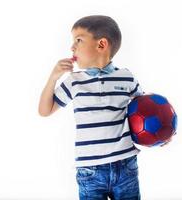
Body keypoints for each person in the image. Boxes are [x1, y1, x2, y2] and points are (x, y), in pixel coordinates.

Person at [38, 15, 144, 200]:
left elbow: (147, 110)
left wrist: (161, 136)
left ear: (101, 45)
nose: (72, 47)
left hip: (125, 165)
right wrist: (53, 77)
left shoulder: (126, 77)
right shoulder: (74, 81)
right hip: (90, 171)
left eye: (78, 40)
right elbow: (45, 111)